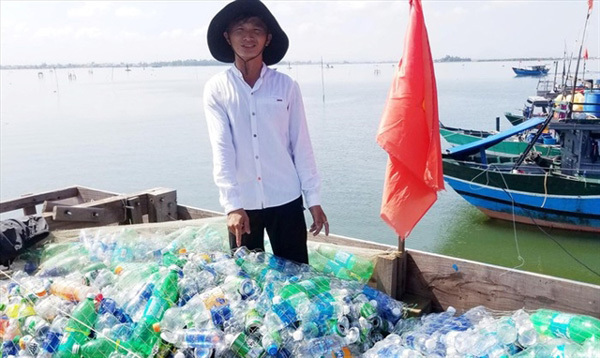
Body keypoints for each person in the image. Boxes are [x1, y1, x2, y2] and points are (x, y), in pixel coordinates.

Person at [203, 0, 328, 264]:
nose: (248, 36)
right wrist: (232, 206)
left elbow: (301, 145)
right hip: (243, 202)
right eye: (239, 29)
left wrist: (313, 198)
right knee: (247, 280)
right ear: (227, 37)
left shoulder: (287, 86)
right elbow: (222, 148)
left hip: (286, 198)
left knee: (297, 276)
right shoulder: (217, 89)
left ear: (268, 39)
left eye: (257, 30)